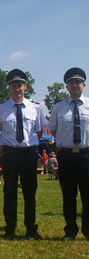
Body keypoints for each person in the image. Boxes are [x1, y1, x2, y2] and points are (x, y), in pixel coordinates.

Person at [0, 69, 47, 240]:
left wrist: (27, 145)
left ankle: (31, 228)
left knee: (30, 191)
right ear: (9, 88)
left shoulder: (35, 108)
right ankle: (10, 229)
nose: (16, 89)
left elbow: (39, 131)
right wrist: (5, 144)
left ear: (25, 86)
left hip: (29, 153)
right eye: (13, 86)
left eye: (19, 85)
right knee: (9, 191)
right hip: (10, 154)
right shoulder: (1, 108)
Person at [48, 67, 89, 241]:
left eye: (78, 82)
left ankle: (88, 231)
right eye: (71, 83)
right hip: (66, 156)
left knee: (87, 195)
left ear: (84, 85)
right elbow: (54, 131)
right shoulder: (59, 106)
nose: (75, 86)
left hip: (86, 155)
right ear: (67, 87)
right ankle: (70, 230)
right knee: (69, 195)